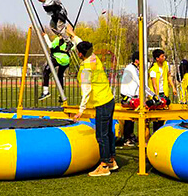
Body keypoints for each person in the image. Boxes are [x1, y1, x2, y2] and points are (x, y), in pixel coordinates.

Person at [73, 41, 117, 176]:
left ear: (80, 54)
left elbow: (86, 91)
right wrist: (72, 35)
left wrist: (81, 110)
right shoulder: (94, 57)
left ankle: (104, 166)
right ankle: (111, 161)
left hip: (101, 101)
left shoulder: (86, 68)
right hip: (109, 99)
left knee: (101, 135)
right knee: (108, 132)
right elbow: (81, 44)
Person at [119, 51, 154, 146]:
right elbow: (140, 83)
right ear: (137, 60)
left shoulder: (135, 69)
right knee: (131, 117)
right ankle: (128, 138)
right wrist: (153, 95)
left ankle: (131, 136)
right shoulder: (131, 69)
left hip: (134, 96)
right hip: (128, 96)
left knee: (132, 118)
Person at [148, 49, 177, 131]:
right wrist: (156, 96)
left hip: (164, 92)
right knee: (156, 117)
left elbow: (168, 76)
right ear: (157, 58)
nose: (164, 58)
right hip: (156, 94)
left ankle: (161, 130)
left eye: (164, 56)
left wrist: (173, 87)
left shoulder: (165, 65)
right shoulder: (153, 70)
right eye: (162, 56)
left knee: (163, 115)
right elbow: (154, 84)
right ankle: (155, 132)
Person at [38, 34, 71, 102]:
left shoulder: (58, 39)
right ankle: (62, 95)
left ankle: (45, 91)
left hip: (57, 58)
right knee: (60, 75)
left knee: (46, 72)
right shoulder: (69, 41)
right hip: (66, 60)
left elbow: (50, 45)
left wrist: (45, 36)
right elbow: (72, 48)